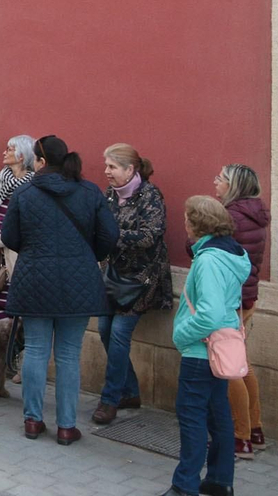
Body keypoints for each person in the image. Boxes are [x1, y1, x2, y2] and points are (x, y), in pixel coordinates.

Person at [1, 135, 118, 445]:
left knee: (36, 351)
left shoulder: (24, 192)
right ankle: (66, 426)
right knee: (68, 355)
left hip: (35, 279)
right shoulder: (90, 191)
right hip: (79, 279)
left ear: (39, 162)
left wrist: (35, 249)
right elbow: (110, 235)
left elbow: (10, 236)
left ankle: (32, 421)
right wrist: (86, 254)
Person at [167, 196, 250, 496]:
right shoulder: (233, 254)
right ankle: (219, 480)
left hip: (200, 351)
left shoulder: (209, 260)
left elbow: (210, 314)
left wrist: (181, 334)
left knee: (192, 418)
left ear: (196, 223)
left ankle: (184, 486)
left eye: (187, 218)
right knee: (218, 417)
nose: (184, 223)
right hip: (219, 350)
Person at [93, 144, 172, 425]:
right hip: (114, 275)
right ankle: (130, 391)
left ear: (129, 170)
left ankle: (110, 399)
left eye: (112, 167)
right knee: (104, 328)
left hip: (141, 279)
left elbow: (152, 235)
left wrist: (114, 236)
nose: (106, 172)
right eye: (106, 166)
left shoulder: (150, 195)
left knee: (118, 334)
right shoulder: (110, 195)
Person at [216, 164, 268, 459]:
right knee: (243, 364)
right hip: (248, 297)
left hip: (231, 300)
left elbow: (208, 249)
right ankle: (256, 429)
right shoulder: (255, 214)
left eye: (221, 179)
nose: (215, 182)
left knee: (230, 368)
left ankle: (241, 437)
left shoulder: (232, 217)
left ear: (234, 186)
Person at [0, 134, 37, 323]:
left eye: (9, 149)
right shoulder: (1, 178)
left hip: (15, 255)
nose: (4, 152)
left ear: (21, 156)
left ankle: (9, 351)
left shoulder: (33, 185)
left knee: (12, 305)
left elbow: (27, 226)